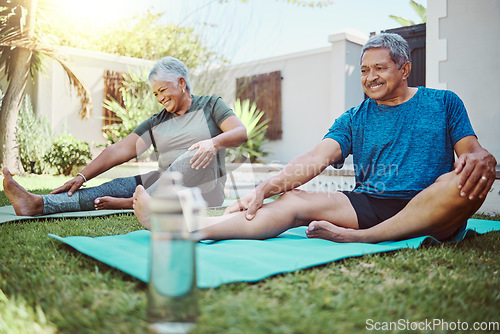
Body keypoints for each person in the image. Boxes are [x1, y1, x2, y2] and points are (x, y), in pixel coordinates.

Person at [133, 33, 496, 243]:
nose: (369, 78)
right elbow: (315, 158)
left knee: (457, 182)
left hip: (433, 204)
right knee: (292, 199)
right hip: (371, 204)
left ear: (404, 69)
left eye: (380, 69)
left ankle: (362, 239)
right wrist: (267, 187)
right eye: (364, 70)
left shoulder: (444, 103)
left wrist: (478, 155)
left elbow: (471, 151)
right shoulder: (355, 118)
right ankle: (183, 229)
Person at [3, 56, 248, 216]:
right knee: (113, 186)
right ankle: (37, 204)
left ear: (181, 83)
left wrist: (213, 143)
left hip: (206, 190)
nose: (160, 98)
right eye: (155, 94)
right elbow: (119, 150)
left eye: (163, 90)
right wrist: (81, 175)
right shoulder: (157, 121)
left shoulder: (210, 105)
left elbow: (240, 133)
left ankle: (134, 202)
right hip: (163, 184)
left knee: (193, 154)